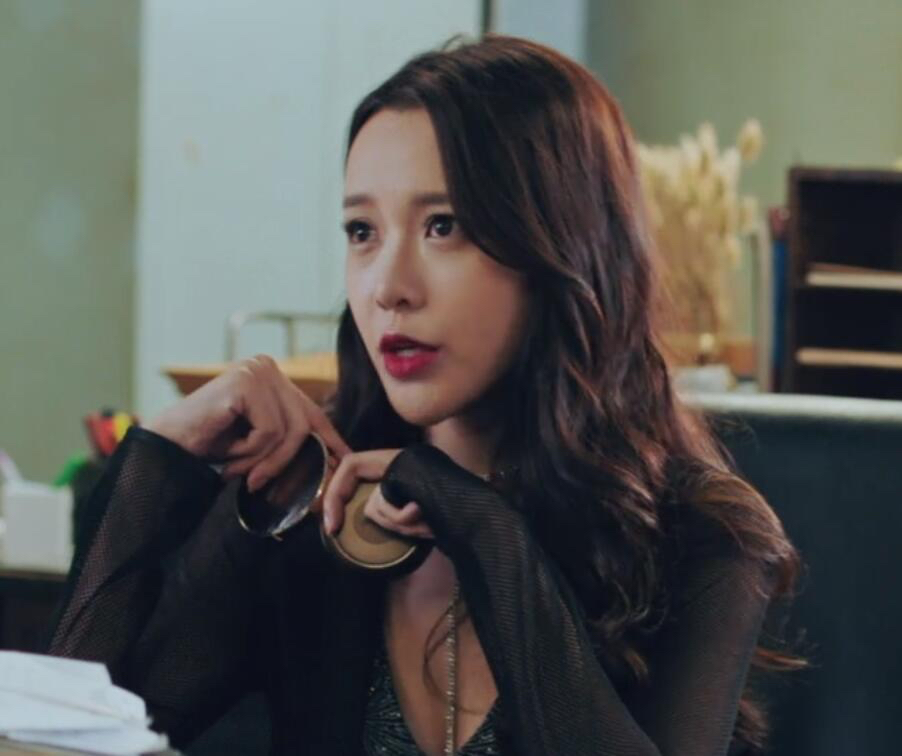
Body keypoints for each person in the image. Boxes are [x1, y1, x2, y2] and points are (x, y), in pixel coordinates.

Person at [46, 35, 803, 756]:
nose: (388, 288)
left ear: (561, 244)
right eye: (361, 231)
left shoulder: (703, 538)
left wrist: (482, 527)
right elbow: (70, 736)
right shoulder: (317, 508)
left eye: (444, 226)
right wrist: (161, 454)